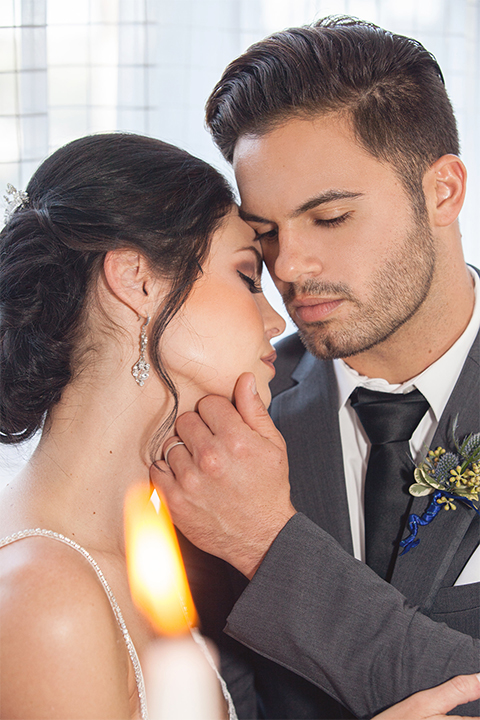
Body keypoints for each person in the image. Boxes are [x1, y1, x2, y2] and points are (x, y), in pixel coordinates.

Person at [0, 132, 476, 720]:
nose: (278, 313)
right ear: (137, 281)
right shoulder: (48, 600)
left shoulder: (158, 545)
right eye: (248, 274)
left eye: (330, 217)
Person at [149, 16, 480, 720]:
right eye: (264, 233)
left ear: (443, 191)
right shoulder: (226, 434)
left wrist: (270, 544)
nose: (289, 269)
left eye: (329, 218)